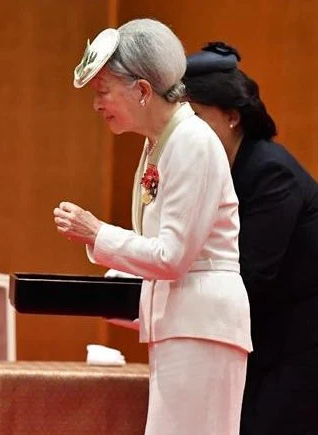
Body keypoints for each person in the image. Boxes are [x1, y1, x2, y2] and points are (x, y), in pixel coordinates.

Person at [53, 19, 252, 434]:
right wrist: (109, 287)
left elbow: (172, 257)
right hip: (185, 326)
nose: (97, 104)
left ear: (142, 90)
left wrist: (97, 232)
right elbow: (162, 253)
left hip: (204, 328)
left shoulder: (192, 142)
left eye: (103, 91)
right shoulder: (160, 143)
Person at [184, 42, 318, 435]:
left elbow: (247, 276)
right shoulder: (218, 171)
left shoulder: (269, 172)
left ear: (231, 117)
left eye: (196, 118)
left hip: (299, 352)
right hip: (260, 350)